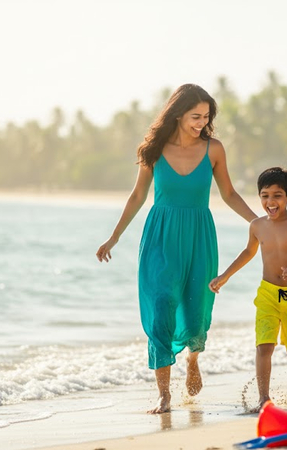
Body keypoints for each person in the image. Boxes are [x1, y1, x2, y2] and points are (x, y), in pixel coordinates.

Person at [96, 84, 256, 414]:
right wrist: (114, 237)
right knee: (160, 307)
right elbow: (138, 196)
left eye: (206, 117)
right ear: (178, 113)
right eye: (195, 116)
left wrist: (258, 223)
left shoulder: (214, 150)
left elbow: (228, 194)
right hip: (160, 238)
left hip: (199, 236)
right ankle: (164, 395)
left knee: (196, 312)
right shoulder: (154, 149)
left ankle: (193, 358)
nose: (201, 122)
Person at [209, 167, 287, 413]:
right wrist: (225, 275)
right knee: (264, 345)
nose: (271, 201)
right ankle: (264, 398)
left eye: (277, 195)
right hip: (268, 293)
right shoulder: (257, 225)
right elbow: (248, 252)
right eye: (265, 195)